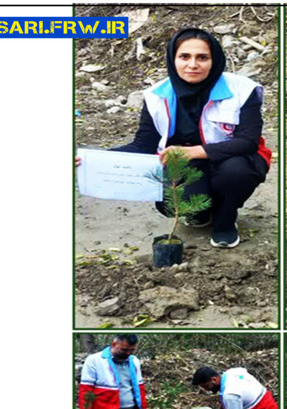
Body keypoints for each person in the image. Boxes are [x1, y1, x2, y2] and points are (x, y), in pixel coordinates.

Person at [77, 27, 272, 248]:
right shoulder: (156, 95)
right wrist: (92, 159)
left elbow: (247, 142)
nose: (193, 64)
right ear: (173, 59)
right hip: (186, 162)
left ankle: (225, 220)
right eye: (184, 56)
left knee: (235, 172)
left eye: (202, 57)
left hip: (231, 157)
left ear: (214, 59)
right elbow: (143, 144)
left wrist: (193, 151)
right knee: (168, 203)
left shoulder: (243, 90)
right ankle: (201, 212)